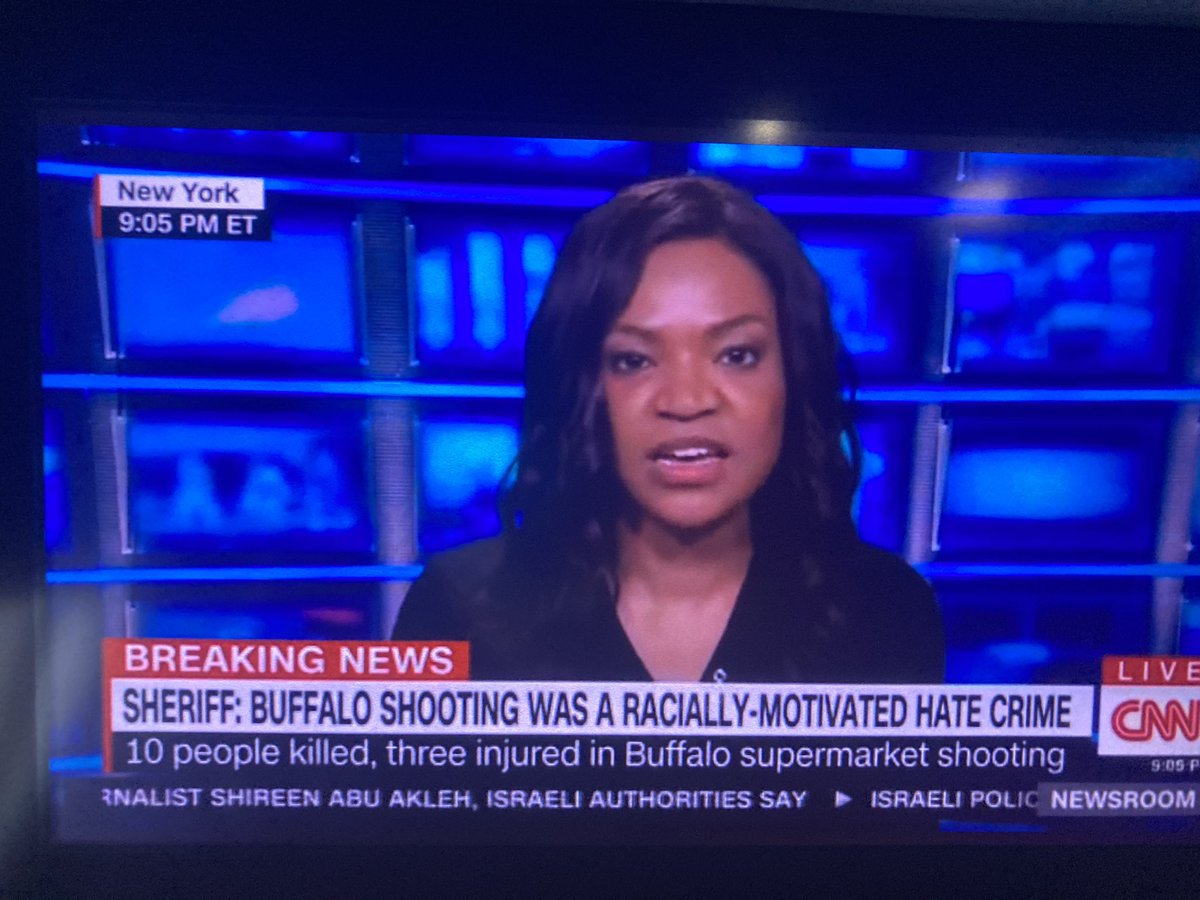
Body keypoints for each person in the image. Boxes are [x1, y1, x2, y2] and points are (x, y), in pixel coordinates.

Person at [393, 175, 943, 683]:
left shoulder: (884, 611)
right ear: (580, 386)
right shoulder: (460, 607)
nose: (686, 401)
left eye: (736, 355)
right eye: (634, 361)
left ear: (794, 375)